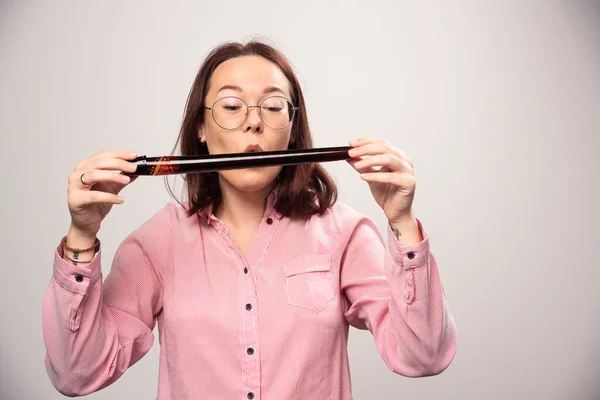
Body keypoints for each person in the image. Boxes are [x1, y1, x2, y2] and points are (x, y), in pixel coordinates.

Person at [42, 39, 457, 399]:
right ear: (201, 128)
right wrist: (82, 234)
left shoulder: (344, 234)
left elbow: (424, 355)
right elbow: (77, 374)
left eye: (273, 106)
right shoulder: (159, 241)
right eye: (230, 105)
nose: (253, 121)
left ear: (292, 130)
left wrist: (402, 221)